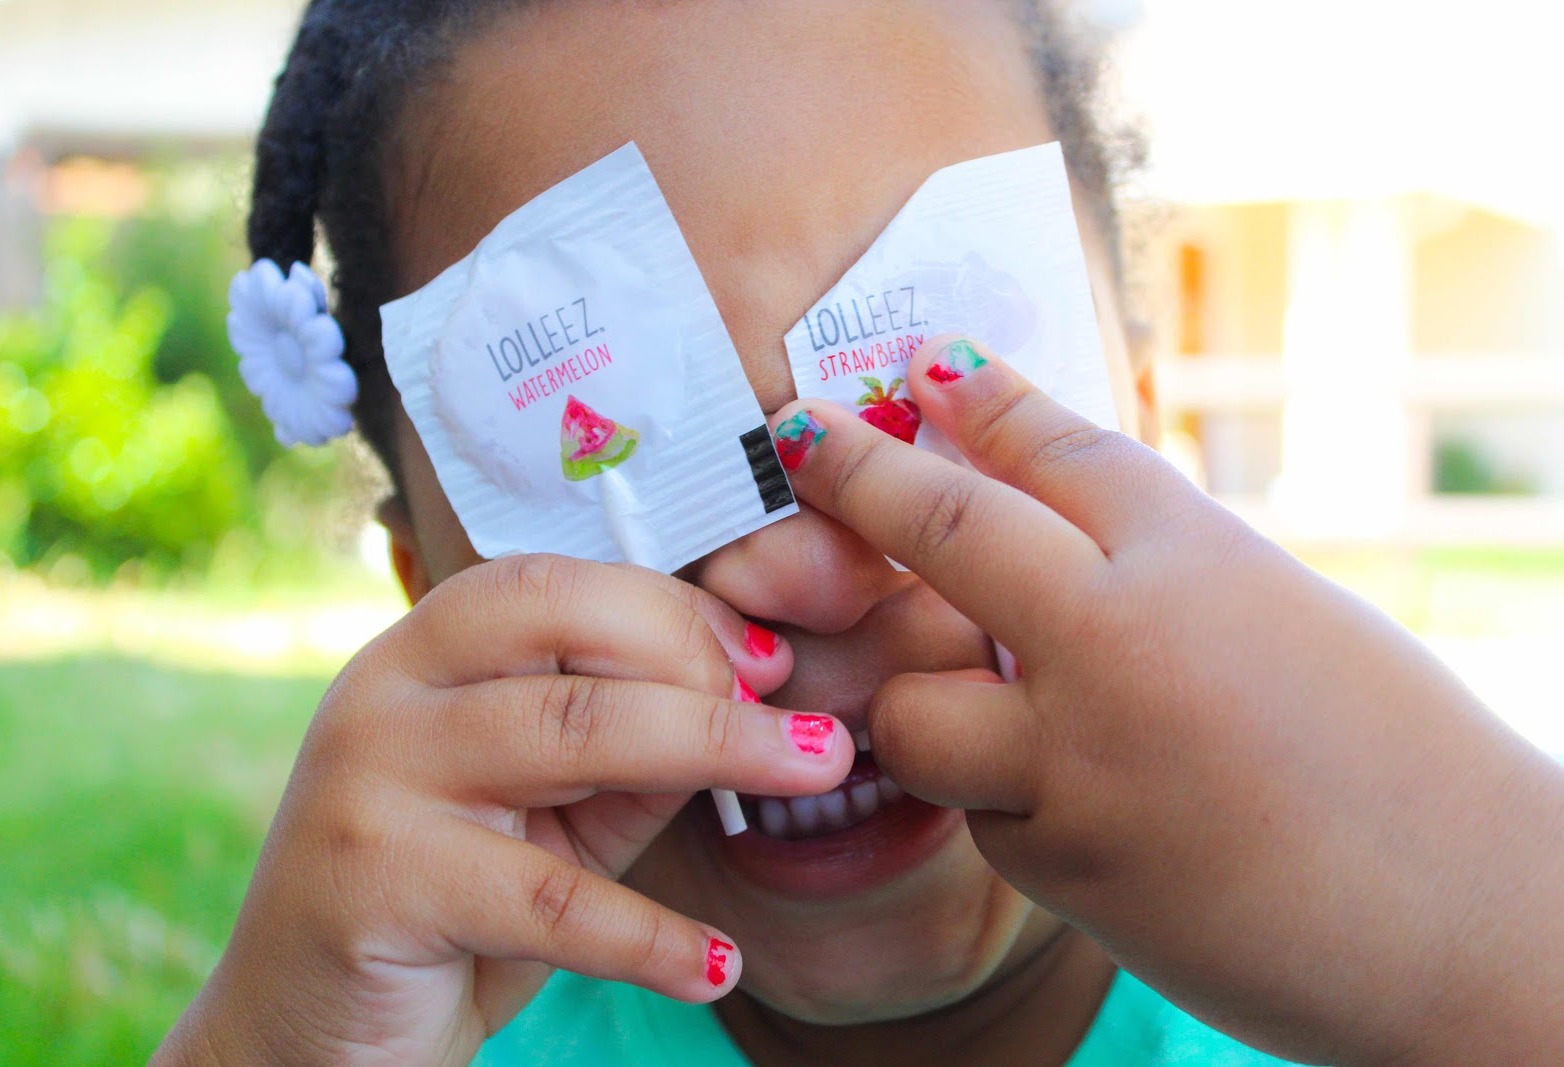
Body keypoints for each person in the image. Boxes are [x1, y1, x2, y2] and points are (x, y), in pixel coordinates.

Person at [155, 1, 1564, 1064]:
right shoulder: (407, 1037)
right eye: (628, 477)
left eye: (916, 394)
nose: (808, 579)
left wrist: (1481, 940)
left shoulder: (1428, 993)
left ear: (1146, 423)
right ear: (425, 593)